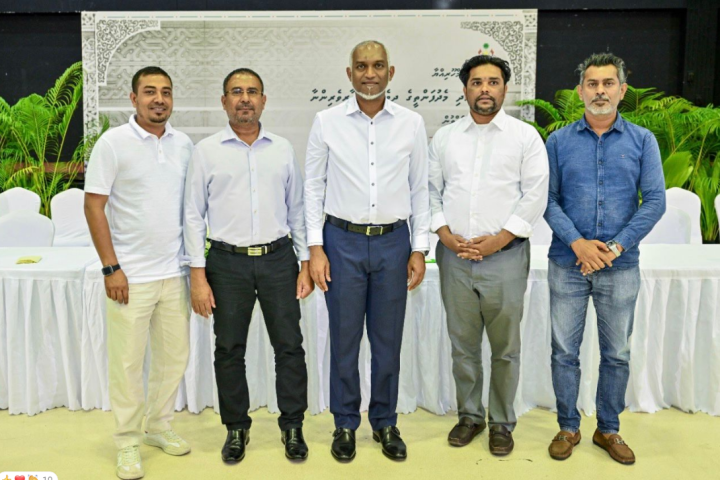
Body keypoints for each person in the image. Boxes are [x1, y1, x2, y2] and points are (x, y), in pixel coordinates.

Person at [304, 40, 430, 461]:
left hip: (394, 242)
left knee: (387, 340)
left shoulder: (411, 123)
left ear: (390, 73)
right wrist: (316, 247)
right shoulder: (326, 122)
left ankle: (385, 421)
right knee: (344, 339)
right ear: (350, 73)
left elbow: (419, 188)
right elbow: (313, 188)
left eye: (378, 66)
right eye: (362, 66)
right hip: (341, 242)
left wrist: (419, 248)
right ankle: (344, 423)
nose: (370, 73)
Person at [183, 68, 312, 463]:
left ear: (263, 100)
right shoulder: (206, 151)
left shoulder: (282, 149)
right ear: (224, 101)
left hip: (278, 260)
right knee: (228, 349)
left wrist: (305, 262)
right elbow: (192, 216)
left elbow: (297, 210)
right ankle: (236, 428)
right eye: (236, 92)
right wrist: (198, 275)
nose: (244, 98)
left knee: (289, 347)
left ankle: (292, 426)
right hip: (226, 264)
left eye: (252, 91)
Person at [544, 53, 666, 464]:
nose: (600, 91)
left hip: (621, 266)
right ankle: (568, 426)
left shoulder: (643, 141)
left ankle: (608, 429)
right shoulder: (558, 142)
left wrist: (615, 247)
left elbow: (655, 201)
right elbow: (547, 200)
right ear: (580, 91)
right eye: (592, 84)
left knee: (617, 354)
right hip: (567, 262)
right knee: (564, 351)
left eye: (608, 83)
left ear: (622, 90)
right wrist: (578, 243)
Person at [428, 55, 549, 456]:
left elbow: (535, 195)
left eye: (493, 82)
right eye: (477, 82)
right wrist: (445, 234)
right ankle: (470, 416)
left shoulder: (525, 137)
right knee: (462, 345)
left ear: (505, 89)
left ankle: (501, 422)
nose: (485, 89)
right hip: (455, 258)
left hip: (505, 258)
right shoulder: (445, 138)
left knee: (505, 348)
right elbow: (430, 190)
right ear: (465, 90)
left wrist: (498, 240)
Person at [84, 66, 193, 480]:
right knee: (128, 365)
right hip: (129, 277)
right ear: (133, 98)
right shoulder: (113, 144)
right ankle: (127, 441)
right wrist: (111, 268)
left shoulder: (184, 145)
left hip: (175, 274)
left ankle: (158, 426)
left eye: (166, 91)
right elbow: (93, 206)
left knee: (173, 360)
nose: (159, 99)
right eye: (149, 91)